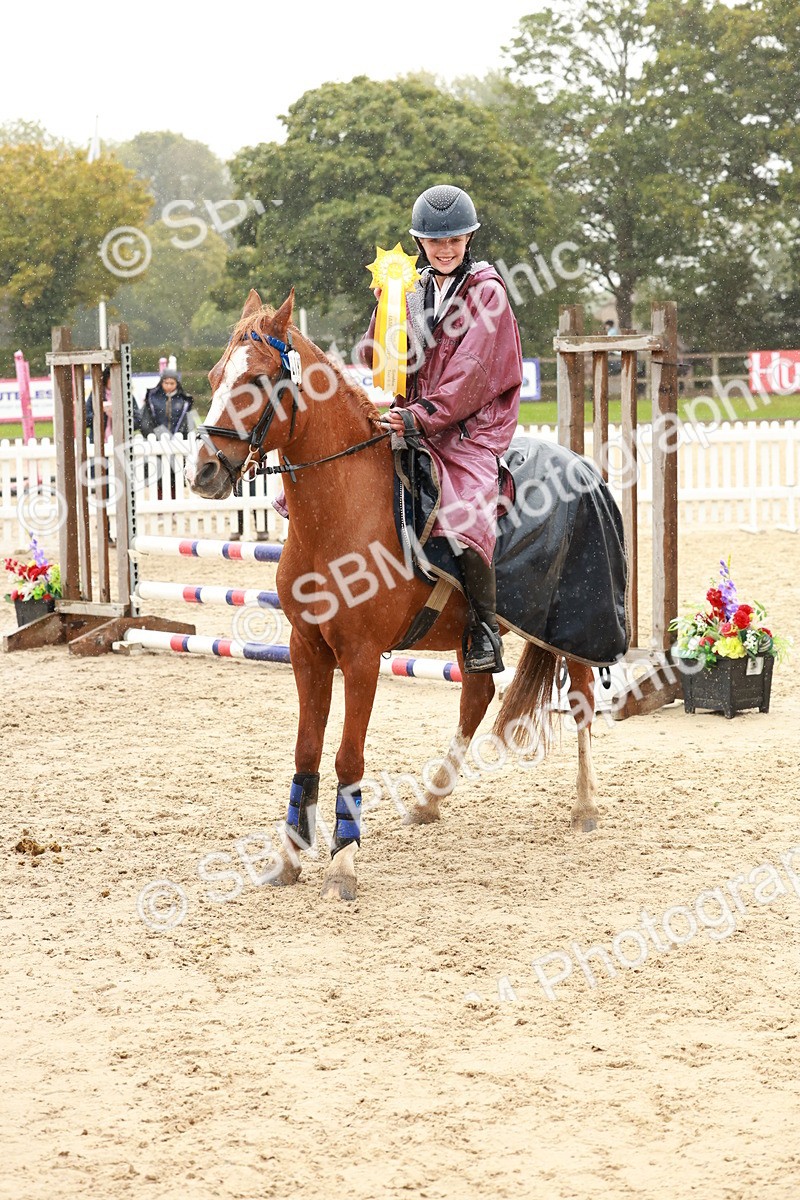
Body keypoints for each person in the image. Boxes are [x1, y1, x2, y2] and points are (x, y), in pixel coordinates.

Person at [358, 184, 523, 673]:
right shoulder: (410, 286)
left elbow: (470, 373)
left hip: (470, 427)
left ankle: (483, 629)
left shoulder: (487, 293)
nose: (445, 250)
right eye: (435, 242)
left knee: (467, 510)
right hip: (415, 417)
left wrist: (421, 416)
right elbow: (377, 360)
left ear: (469, 238)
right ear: (420, 243)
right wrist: (384, 311)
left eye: (454, 240)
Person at [135, 368, 194, 437]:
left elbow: (186, 423)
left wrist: (180, 436)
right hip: (155, 440)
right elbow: (146, 421)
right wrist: (154, 436)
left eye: (172, 383)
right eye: (166, 383)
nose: (169, 386)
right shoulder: (152, 399)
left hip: (178, 440)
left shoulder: (184, 400)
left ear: (177, 383)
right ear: (161, 382)